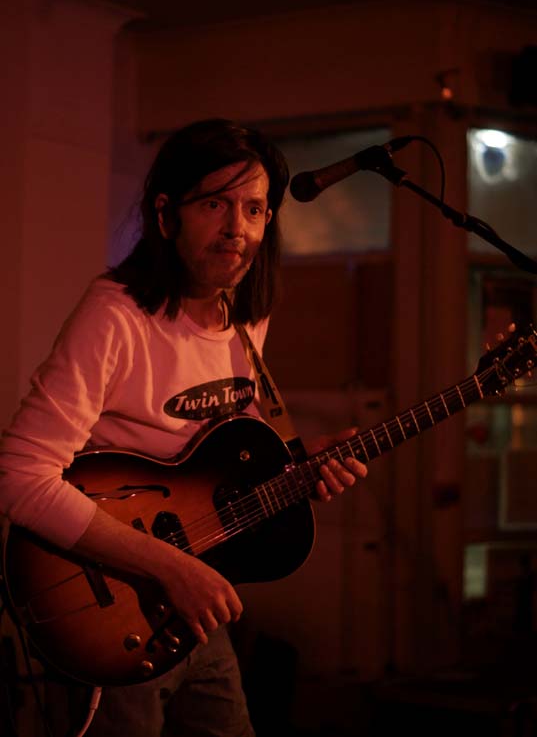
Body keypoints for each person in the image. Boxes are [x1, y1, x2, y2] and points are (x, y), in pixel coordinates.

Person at [0, 118, 367, 736]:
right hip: (116, 606)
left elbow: (223, 449)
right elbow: (19, 476)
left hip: (197, 606)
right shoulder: (117, 316)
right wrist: (170, 567)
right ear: (166, 215)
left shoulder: (246, 315)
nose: (237, 229)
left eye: (254, 209)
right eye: (215, 204)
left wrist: (301, 468)